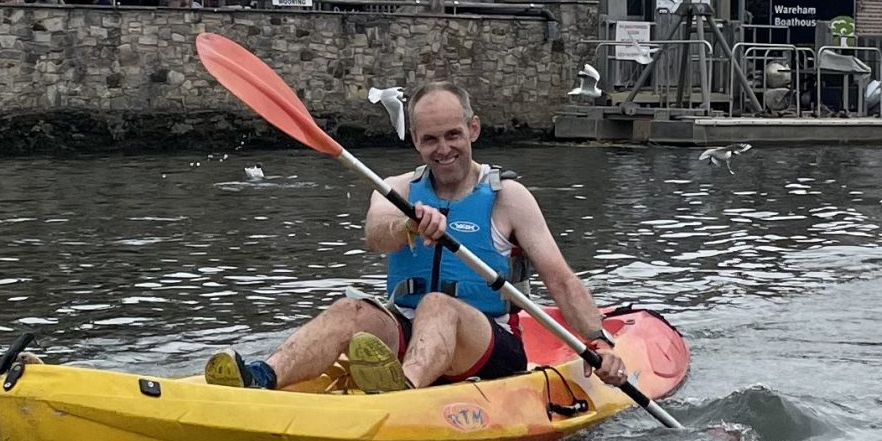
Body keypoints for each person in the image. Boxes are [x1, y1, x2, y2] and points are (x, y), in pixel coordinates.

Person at [207, 81, 624, 394]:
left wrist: (599, 341)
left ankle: (402, 394)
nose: (443, 149)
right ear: (416, 141)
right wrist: (408, 226)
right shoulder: (398, 189)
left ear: (473, 129)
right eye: (430, 139)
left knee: (438, 304)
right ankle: (262, 376)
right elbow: (376, 235)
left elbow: (561, 280)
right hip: (409, 330)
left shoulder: (508, 198)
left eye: (452, 135)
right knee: (352, 309)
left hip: (487, 344)